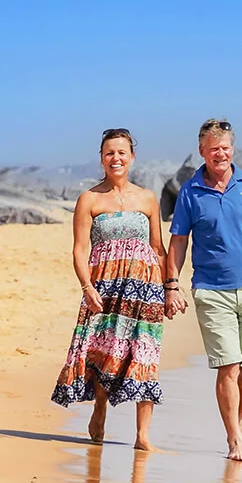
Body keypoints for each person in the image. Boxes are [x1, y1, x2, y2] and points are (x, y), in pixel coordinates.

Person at [165, 118, 242, 462]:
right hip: (212, 291)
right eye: (214, 148)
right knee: (228, 365)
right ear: (202, 151)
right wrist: (172, 285)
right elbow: (179, 241)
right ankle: (234, 440)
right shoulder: (190, 192)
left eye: (226, 147)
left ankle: (237, 421)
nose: (221, 154)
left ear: (233, 149)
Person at [52, 128, 169, 450]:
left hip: (145, 289)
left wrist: (170, 288)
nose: (115, 158)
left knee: (145, 353)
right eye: (109, 153)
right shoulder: (89, 199)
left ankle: (142, 435)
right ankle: (100, 408)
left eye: (121, 152)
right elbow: (79, 250)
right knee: (105, 353)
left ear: (132, 157)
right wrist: (86, 286)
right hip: (104, 287)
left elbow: (157, 248)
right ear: (102, 158)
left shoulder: (147, 198)